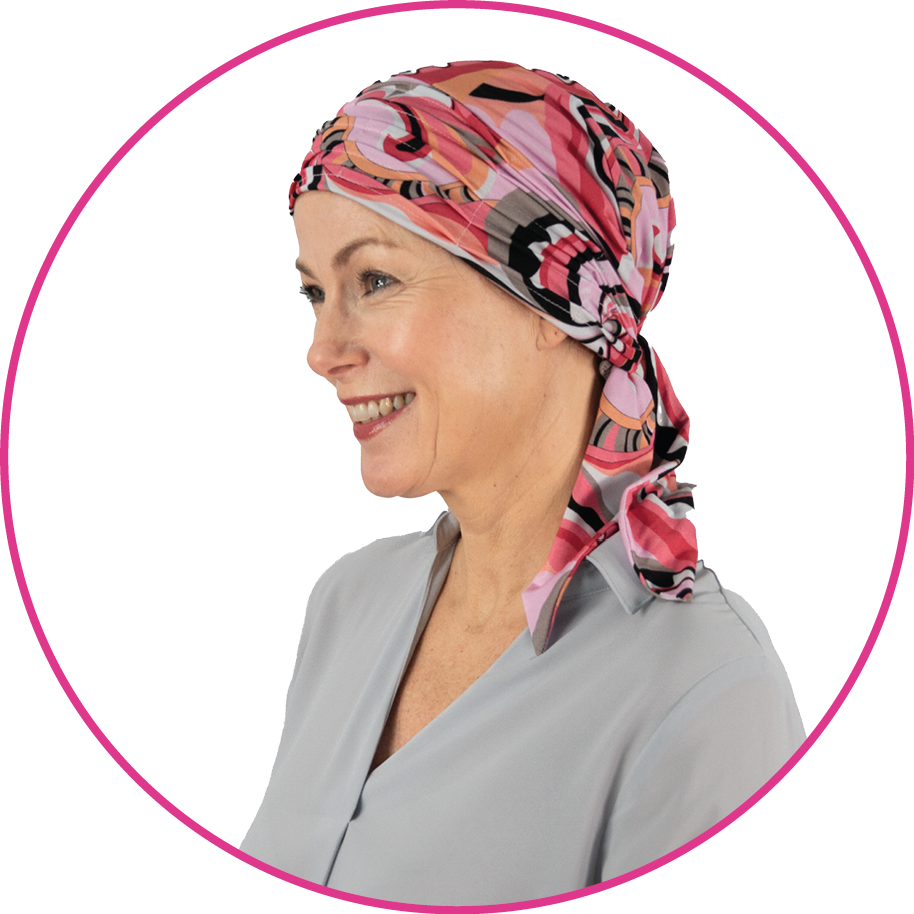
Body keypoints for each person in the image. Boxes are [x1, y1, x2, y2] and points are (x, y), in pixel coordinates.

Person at [241, 60, 805, 905]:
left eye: (375, 281)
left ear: (552, 296)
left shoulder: (706, 691)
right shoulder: (346, 604)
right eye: (315, 292)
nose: (321, 352)